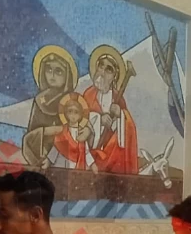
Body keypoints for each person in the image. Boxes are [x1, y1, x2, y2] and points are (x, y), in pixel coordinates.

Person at [82, 45, 138, 174]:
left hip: (111, 154)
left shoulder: (118, 98)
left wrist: (120, 115)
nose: (102, 71)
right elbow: (79, 121)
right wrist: (98, 119)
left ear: (114, 76)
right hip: (90, 154)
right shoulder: (88, 95)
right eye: (101, 66)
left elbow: (127, 131)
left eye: (109, 69)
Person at [22, 45, 79, 167]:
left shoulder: (72, 101)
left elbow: (78, 130)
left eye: (58, 71)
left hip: (65, 156)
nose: (52, 75)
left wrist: (62, 131)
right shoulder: (39, 101)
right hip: (43, 156)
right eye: (48, 70)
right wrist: (47, 131)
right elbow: (30, 136)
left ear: (67, 75)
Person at [48, 92, 99, 173]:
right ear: (65, 113)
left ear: (80, 114)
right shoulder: (62, 132)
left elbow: (86, 152)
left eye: (76, 112)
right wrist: (48, 161)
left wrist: (92, 164)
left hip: (77, 165)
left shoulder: (82, 132)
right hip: (62, 164)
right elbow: (56, 148)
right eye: (70, 111)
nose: (73, 115)